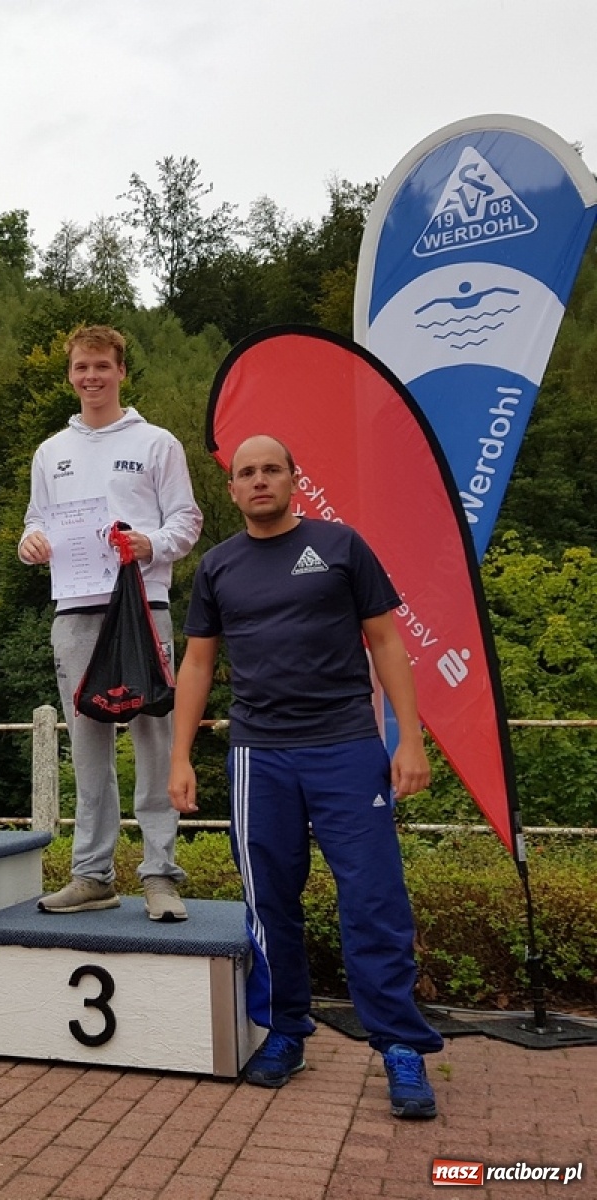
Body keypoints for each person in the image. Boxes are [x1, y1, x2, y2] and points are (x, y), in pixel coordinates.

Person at [167, 434, 442, 1119]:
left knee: (374, 898)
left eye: (271, 470)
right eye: (246, 473)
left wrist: (409, 738)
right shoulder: (218, 567)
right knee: (269, 904)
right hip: (259, 756)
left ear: (295, 479)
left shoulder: (342, 546)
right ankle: (286, 1030)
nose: (259, 481)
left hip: (348, 746)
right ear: (231, 490)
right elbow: (197, 665)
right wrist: (179, 756)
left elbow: (385, 642)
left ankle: (401, 1049)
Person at [20, 325, 202, 920]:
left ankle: (160, 876)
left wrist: (148, 543)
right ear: (69, 374)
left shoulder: (157, 442)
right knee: (87, 746)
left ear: (122, 371)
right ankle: (93, 874)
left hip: (142, 608)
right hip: (73, 609)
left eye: (102, 366)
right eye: (81, 368)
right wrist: (31, 543)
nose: (91, 377)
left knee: (154, 740)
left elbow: (188, 518)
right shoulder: (51, 452)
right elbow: (34, 521)